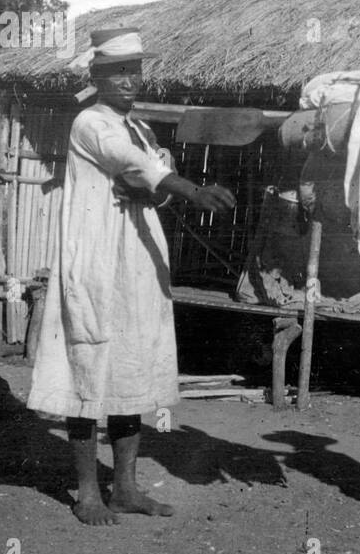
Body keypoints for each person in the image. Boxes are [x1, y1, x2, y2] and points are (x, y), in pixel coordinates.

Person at [28, 28, 236, 525]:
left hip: (137, 259)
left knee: (130, 367)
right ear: (98, 77)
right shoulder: (90, 123)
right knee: (90, 364)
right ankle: (86, 493)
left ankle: (125, 487)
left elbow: (147, 175)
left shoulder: (139, 129)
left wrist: (157, 190)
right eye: (117, 72)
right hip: (97, 255)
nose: (128, 81)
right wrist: (186, 190)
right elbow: (130, 165)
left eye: (134, 71)